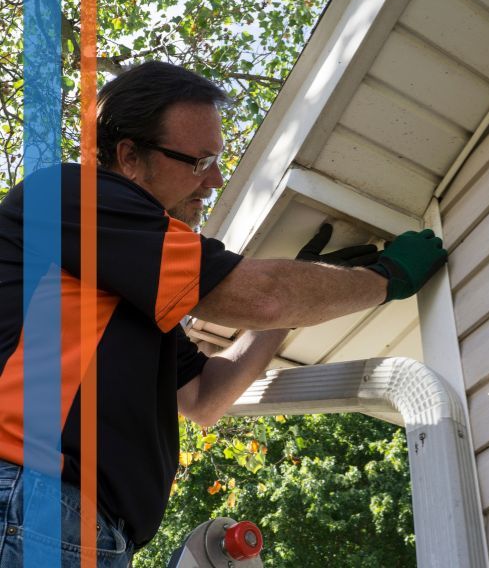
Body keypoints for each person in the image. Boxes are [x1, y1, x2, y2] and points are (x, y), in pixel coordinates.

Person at [0, 61, 447, 566]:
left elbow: (204, 398)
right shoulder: (69, 197)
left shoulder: (128, 294)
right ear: (128, 157)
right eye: (198, 161)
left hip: (77, 527)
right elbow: (261, 295)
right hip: (28, 498)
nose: (213, 178)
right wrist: (387, 278)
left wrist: (293, 304)